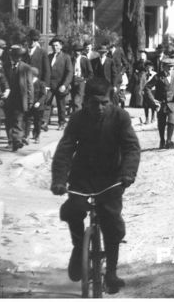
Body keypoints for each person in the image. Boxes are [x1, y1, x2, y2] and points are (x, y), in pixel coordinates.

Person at [51, 77, 140, 294]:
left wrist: (128, 173)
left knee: (112, 222)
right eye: (94, 103)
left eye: (104, 103)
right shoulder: (78, 119)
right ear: (86, 102)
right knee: (73, 210)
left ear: (112, 101)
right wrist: (59, 180)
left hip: (111, 178)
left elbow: (131, 148)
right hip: (83, 175)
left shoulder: (120, 117)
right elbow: (65, 149)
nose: (99, 108)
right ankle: (78, 247)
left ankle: (111, 272)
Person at [5, 45, 37, 151]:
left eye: (18, 56)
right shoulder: (6, 66)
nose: (16, 58)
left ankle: (17, 141)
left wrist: (30, 100)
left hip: (20, 99)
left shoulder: (26, 67)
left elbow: (29, 85)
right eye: (14, 56)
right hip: (9, 99)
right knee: (9, 121)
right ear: (11, 56)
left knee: (18, 121)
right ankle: (11, 141)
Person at [146, 55, 174, 149]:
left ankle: (169, 141)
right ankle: (162, 139)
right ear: (163, 67)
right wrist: (153, 100)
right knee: (161, 123)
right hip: (161, 104)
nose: (170, 69)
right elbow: (147, 88)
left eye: (172, 67)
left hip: (173, 103)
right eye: (168, 67)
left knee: (171, 121)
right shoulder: (158, 77)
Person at [47, 37, 74, 130]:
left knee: (61, 105)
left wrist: (64, 85)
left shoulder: (66, 57)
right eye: (53, 45)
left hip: (60, 85)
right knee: (47, 103)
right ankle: (44, 123)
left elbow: (69, 72)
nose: (54, 47)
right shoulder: (49, 57)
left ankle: (61, 123)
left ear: (61, 46)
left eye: (57, 45)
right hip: (50, 85)